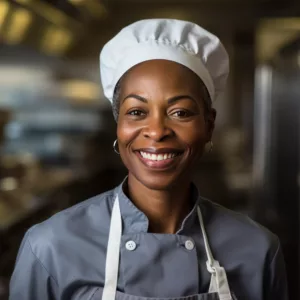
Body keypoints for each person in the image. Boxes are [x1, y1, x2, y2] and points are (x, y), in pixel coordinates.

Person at [9, 19, 288, 300]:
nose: (156, 132)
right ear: (118, 125)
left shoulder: (258, 250)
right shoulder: (49, 247)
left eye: (180, 112)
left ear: (208, 126)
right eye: (137, 112)